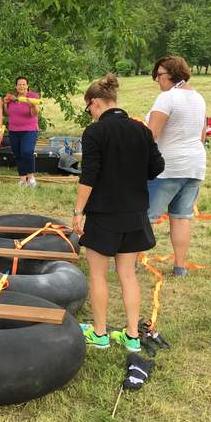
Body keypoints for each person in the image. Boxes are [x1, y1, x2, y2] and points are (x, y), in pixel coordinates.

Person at [71, 73, 164, 352]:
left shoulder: (95, 132)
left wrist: (78, 211)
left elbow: (89, 176)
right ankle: (133, 336)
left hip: (103, 216)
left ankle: (100, 335)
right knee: (128, 275)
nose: (90, 115)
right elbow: (156, 167)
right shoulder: (141, 129)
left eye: (89, 109)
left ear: (96, 102)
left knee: (98, 275)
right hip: (135, 213)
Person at [146, 55, 207, 277]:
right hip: (195, 165)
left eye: (159, 75)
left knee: (145, 216)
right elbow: (201, 136)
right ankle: (180, 267)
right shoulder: (199, 98)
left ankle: (129, 263)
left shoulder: (167, 98)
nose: (157, 80)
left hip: (168, 167)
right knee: (181, 217)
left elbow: (151, 134)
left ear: (171, 75)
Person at [3, 76, 40, 187]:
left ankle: (31, 177)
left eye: (24, 84)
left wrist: (32, 104)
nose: (21, 86)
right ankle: (23, 179)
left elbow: (34, 113)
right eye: (19, 84)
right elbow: (7, 113)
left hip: (29, 130)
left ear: (27, 86)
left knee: (27, 152)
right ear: (16, 86)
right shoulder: (12, 98)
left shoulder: (33, 96)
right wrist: (5, 103)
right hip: (13, 130)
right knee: (17, 154)